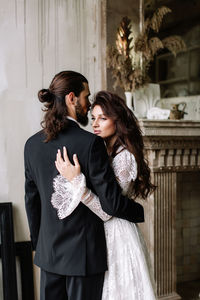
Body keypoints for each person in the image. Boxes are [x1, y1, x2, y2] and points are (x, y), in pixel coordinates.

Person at [24, 71, 144, 300]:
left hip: (48, 255)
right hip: (84, 258)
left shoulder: (31, 146)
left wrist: (39, 246)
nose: (87, 105)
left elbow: (32, 201)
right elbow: (112, 204)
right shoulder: (91, 144)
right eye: (85, 97)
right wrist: (138, 211)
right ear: (71, 98)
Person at [52, 90, 157, 300]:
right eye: (93, 118)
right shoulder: (105, 152)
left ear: (117, 121)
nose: (95, 124)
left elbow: (109, 210)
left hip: (118, 234)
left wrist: (77, 183)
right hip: (102, 235)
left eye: (103, 118)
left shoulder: (124, 157)